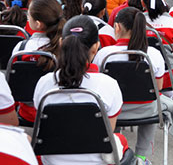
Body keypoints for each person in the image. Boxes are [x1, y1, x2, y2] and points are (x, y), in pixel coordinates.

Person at [33, 15, 125, 165]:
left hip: (51, 160)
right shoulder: (109, 84)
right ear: (96, 47)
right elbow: (108, 130)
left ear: (61, 44)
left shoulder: (44, 84)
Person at [92, 7, 167, 163]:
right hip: (145, 110)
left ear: (117, 27)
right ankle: (141, 156)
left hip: (113, 112)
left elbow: (98, 84)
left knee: (111, 102)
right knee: (155, 103)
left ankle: (116, 150)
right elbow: (158, 88)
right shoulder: (153, 53)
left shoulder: (104, 54)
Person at [12, 0, 65, 124]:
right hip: (60, 110)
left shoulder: (22, 48)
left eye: (29, 16)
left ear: (38, 23)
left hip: (27, 112)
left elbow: (14, 81)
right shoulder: (66, 47)